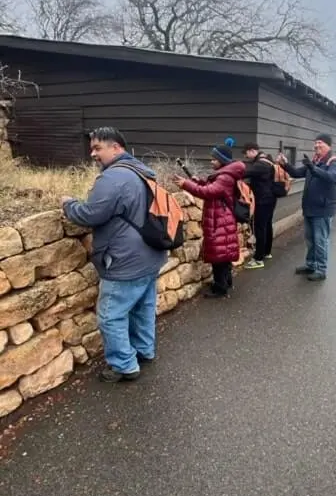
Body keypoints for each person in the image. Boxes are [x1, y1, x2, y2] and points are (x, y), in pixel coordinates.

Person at [61, 127, 167, 383]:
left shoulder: (113, 178)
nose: (93, 153)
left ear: (116, 148)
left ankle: (124, 365)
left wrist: (68, 204)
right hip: (151, 254)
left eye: (98, 148)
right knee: (143, 306)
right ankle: (144, 351)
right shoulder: (142, 171)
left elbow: (90, 215)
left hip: (124, 259)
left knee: (111, 315)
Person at [173, 142, 246, 299]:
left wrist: (186, 184)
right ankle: (226, 283)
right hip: (221, 219)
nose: (211, 161)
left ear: (222, 160)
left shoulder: (225, 176)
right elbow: (212, 186)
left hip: (219, 221)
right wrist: (197, 180)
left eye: (214, 159)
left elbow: (208, 192)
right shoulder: (225, 174)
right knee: (224, 255)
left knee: (219, 257)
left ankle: (220, 289)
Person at [276, 134, 336, 281]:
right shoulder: (315, 161)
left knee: (320, 240)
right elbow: (297, 173)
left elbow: (332, 178)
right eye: (315, 144)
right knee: (310, 239)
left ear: (328, 146)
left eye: (320, 144)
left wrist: (313, 168)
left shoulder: (333, 162)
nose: (317, 146)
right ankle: (311, 265)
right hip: (310, 208)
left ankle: (321, 269)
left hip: (323, 209)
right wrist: (285, 164)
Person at [242, 142, 276, 269]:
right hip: (270, 199)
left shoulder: (261, 164)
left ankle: (258, 258)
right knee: (267, 225)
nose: (246, 157)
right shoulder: (268, 160)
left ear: (252, 151)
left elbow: (245, 172)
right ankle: (267, 252)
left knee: (260, 228)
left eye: (246, 154)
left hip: (263, 200)